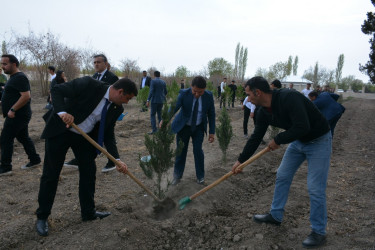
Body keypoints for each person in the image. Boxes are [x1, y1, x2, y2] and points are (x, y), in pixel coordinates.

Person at [231, 76, 332, 248]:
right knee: (282, 175)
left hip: (318, 140)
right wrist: (240, 160)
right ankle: (275, 215)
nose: (247, 99)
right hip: (299, 141)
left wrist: (278, 140)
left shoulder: (289, 97)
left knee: (315, 187)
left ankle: (318, 232)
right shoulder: (263, 111)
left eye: (248, 94)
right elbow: (256, 138)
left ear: (258, 92)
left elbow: (303, 126)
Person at [35, 77, 137, 237]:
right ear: (120, 92)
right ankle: (42, 216)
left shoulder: (117, 108)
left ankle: (88, 212)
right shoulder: (90, 84)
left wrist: (116, 159)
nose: (127, 102)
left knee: (89, 172)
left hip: (84, 137)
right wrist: (63, 112)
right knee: (51, 174)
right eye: (127, 98)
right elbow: (57, 90)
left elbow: (108, 134)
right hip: (62, 130)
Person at [64, 54, 120, 173]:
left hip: (106, 113)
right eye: (94, 62)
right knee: (91, 136)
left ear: (106, 63)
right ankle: (81, 159)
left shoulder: (112, 78)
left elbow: (114, 97)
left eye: (98, 62)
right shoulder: (94, 76)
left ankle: (114, 161)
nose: (96, 64)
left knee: (108, 135)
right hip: (93, 113)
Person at [0, 54, 41, 176]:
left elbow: (26, 96)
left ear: (14, 64)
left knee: (5, 138)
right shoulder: (12, 78)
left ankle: (6, 167)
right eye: (2, 64)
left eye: (5, 64)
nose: (3, 67)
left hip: (18, 115)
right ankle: (35, 159)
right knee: (23, 137)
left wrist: (12, 109)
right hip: (18, 115)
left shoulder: (20, 77)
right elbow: (14, 94)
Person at [171, 76, 215, 185]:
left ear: (204, 89)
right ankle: (177, 176)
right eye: (195, 91)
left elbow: (211, 114)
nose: (197, 94)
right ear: (191, 87)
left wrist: (212, 132)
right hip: (184, 126)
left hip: (198, 127)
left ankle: (200, 176)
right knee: (181, 151)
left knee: (198, 150)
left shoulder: (208, 96)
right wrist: (165, 119)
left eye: (200, 92)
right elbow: (174, 107)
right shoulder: (183, 93)